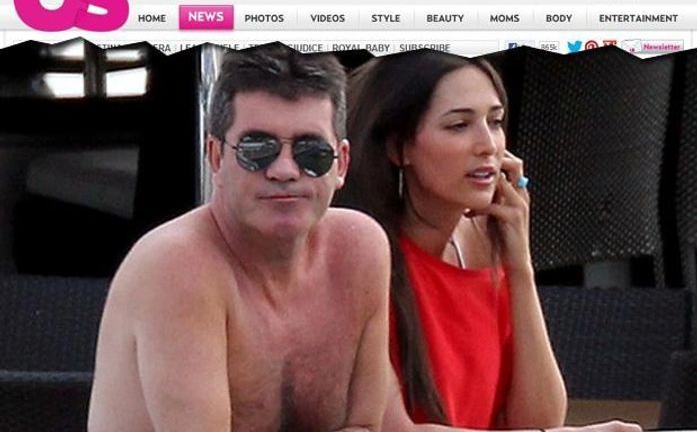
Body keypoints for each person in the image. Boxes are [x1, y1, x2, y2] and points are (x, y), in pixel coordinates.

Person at [88, 43, 391, 432]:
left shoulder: (360, 248)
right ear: (216, 157)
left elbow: (366, 425)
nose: (284, 170)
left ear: (342, 163)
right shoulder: (177, 265)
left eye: (311, 152)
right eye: (257, 149)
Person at [336, 50, 641, 432]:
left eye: (495, 122)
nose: (488, 145)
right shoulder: (360, 255)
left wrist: (520, 266)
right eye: (459, 125)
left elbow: (540, 419)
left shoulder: (483, 244)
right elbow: (396, 429)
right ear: (400, 147)